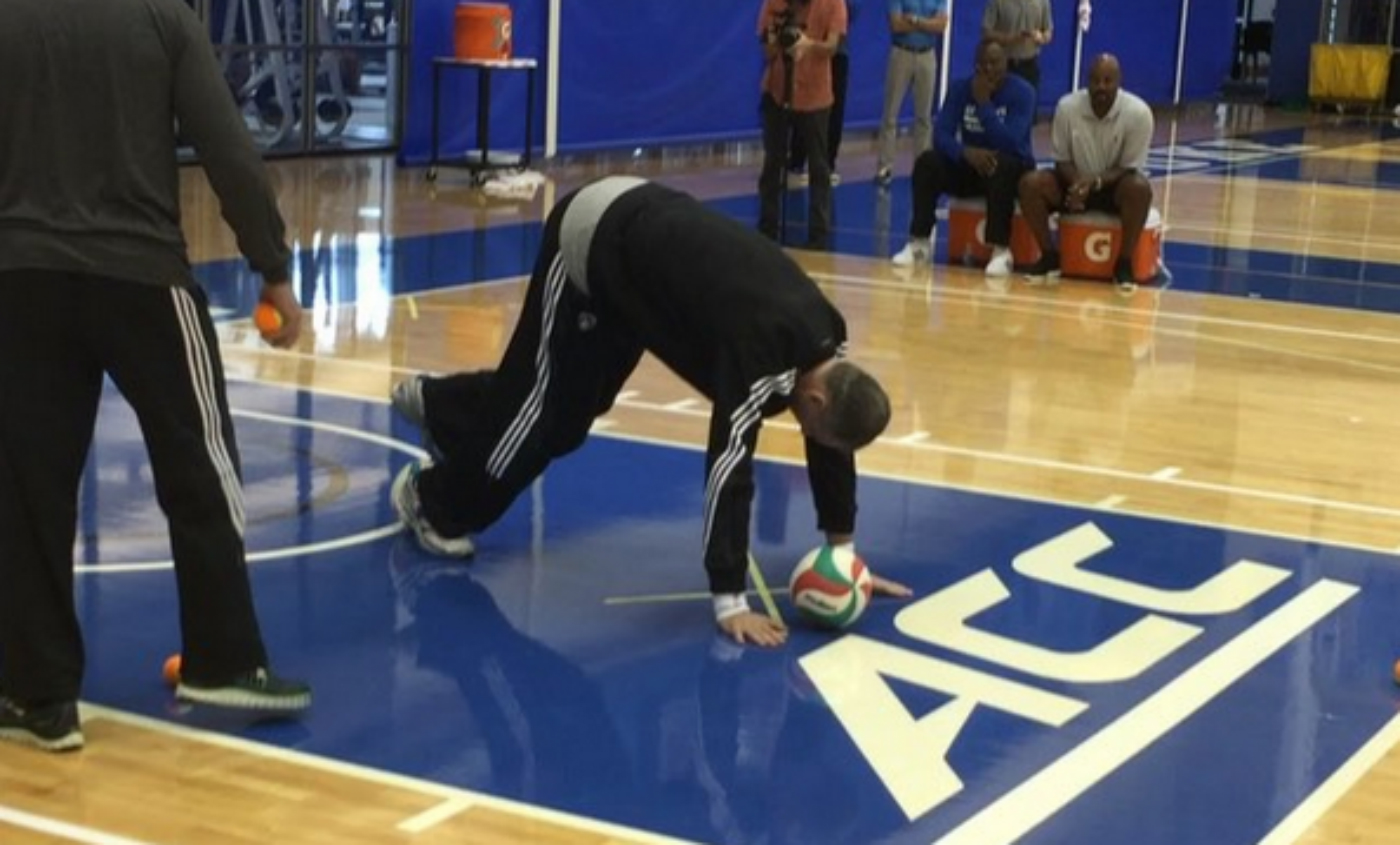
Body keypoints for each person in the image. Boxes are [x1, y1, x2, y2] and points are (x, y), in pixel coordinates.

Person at [390, 176, 911, 648]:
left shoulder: (828, 347)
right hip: (592, 239)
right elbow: (728, 467)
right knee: (532, 422)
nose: (814, 440)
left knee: (570, 418)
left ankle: (439, 405)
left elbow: (832, 445)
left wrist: (845, 557)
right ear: (816, 401)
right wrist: (729, 600)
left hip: (641, 275)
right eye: (817, 431)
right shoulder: (762, 353)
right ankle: (431, 501)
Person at [0, 0, 313, 752]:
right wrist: (272, 268)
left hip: (21, 279)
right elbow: (228, 149)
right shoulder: (161, 17)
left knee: (27, 488)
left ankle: (37, 695)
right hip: (142, 275)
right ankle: (223, 660)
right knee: (201, 465)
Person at [891, 39, 1037, 276]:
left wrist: (984, 105)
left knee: (1001, 165)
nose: (989, 69)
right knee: (927, 162)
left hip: (1011, 169)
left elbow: (1011, 143)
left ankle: (1001, 251)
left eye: (995, 63)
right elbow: (941, 135)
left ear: (1006, 64)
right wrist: (965, 152)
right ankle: (919, 242)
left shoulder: (1023, 93)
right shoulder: (960, 89)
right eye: (983, 64)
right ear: (975, 65)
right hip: (972, 165)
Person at [1018, 53, 1155, 293]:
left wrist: (1094, 182)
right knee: (1031, 184)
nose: (1101, 86)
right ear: (1086, 81)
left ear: (1119, 82)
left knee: (1140, 189)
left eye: (1108, 80)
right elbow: (1062, 160)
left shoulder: (1139, 113)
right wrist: (1078, 185)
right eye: (1095, 80)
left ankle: (1124, 264)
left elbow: (1128, 167)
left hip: (1113, 188)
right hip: (1073, 184)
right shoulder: (1067, 107)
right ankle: (1049, 257)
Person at [757, 0, 848, 249]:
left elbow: (832, 46)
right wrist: (778, 42)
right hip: (778, 91)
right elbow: (766, 49)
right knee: (773, 162)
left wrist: (809, 45)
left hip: (816, 95)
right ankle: (767, 228)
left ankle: (819, 234)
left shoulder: (833, 3)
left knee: (819, 165)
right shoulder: (774, 3)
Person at [874, 0, 950, 188]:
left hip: (927, 55)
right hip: (902, 53)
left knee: (924, 118)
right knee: (890, 114)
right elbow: (896, 24)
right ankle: (885, 168)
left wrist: (915, 20)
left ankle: (923, 168)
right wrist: (927, 24)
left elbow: (941, 25)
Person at [789, 0, 859, 187]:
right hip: (806, 49)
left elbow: (851, 10)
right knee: (803, 104)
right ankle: (796, 162)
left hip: (837, 52)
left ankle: (828, 164)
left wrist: (833, 20)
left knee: (834, 107)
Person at [982, 0, 1053, 96]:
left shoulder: (1043, 2)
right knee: (1000, 101)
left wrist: (1041, 37)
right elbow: (986, 33)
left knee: (1029, 101)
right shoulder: (997, 2)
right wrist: (1009, 38)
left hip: (1029, 65)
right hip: (1003, 65)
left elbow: (1048, 32)